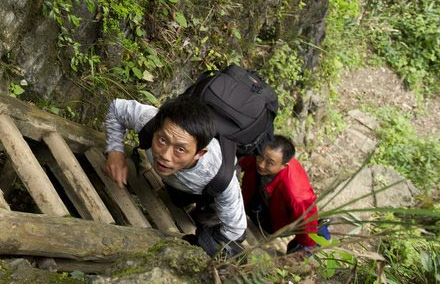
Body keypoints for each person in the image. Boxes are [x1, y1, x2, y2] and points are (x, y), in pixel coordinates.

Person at [102, 96, 247, 257]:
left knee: (205, 218)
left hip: (207, 191)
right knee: (177, 199)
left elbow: (236, 229)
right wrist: (115, 151)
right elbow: (116, 108)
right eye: (162, 140)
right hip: (177, 180)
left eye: (180, 150)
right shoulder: (150, 120)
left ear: (199, 153)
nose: (165, 155)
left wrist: (203, 243)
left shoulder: (218, 176)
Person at [239, 135, 329, 253]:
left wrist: (305, 246)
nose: (261, 164)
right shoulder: (261, 155)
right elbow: (239, 163)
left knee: (303, 243)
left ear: (284, 165)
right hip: (257, 199)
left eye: (270, 163)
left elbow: (306, 221)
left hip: (278, 219)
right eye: (260, 156)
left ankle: (321, 232)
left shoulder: (296, 193)